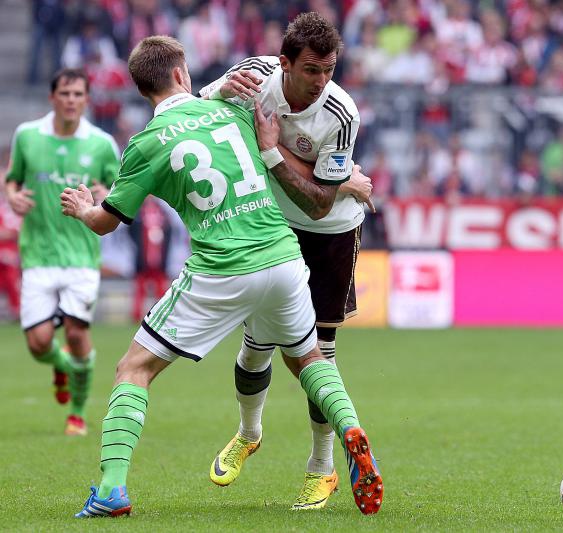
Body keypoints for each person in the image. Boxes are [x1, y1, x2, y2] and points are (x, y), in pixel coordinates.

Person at [63, 35, 382, 518]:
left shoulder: (145, 143)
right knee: (310, 357)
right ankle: (352, 430)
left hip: (222, 268)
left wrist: (85, 209)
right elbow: (271, 148)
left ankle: (110, 490)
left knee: (134, 369)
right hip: (283, 255)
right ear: (181, 72)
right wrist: (344, 180)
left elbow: (108, 223)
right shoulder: (235, 111)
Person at [200, 12, 376, 510]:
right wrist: (216, 94)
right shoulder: (254, 77)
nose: (322, 81)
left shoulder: (342, 115)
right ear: (284, 64)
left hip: (330, 234)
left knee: (319, 354)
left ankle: (322, 468)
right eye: (312, 70)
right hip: (272, 227)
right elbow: (197, 108)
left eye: (330, 69)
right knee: (257, 343)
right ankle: (248, 432)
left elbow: (318, 202)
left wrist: (272, 153)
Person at [5, 68, 120, 436]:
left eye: (78, 94)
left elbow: (117, 192)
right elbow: (12, 178)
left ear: (87, 100)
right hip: (37, 252)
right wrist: (12, 195)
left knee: (75, 334)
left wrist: (104, 196)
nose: (71, 100)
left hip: (82, 255)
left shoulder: (101, 143)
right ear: (52, 97)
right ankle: (63, 367)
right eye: (65, 93)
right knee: (39, 344)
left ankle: (77, 414)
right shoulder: (27, 136)